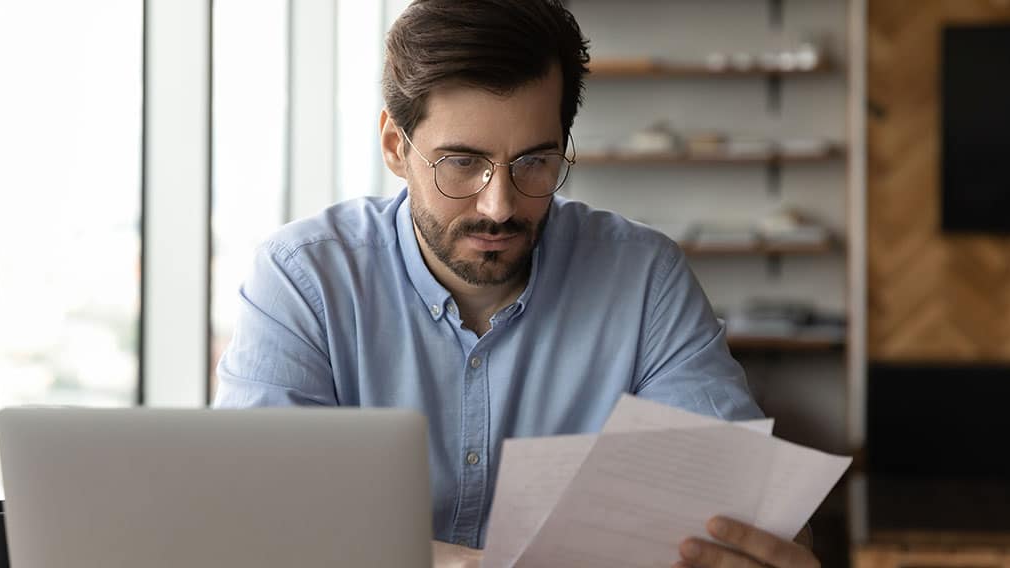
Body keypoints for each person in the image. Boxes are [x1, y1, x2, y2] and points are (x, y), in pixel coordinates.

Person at [213, 1, 818, 567]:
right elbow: (252, 524)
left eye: (534, 162)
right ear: (397, 147)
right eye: (461, 163)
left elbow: (750, 514)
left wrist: (761, 548)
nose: (499, 205)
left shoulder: (643, 278)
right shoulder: (304, 279)